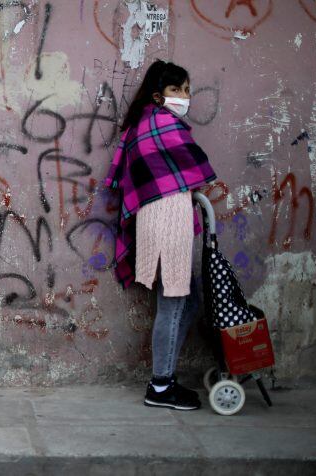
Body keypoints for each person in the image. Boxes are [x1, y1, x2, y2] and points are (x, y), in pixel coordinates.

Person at [103, 60, 217, 410]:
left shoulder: (144, 124)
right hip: (167, 217)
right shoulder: (164, 124)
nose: (183, 96)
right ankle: (161, 385)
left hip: (160, 216)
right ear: (158, 95)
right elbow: (192, 166)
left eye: (186, 89)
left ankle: (164, 374)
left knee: (190, 300)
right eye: (176, 90)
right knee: (173, 302)